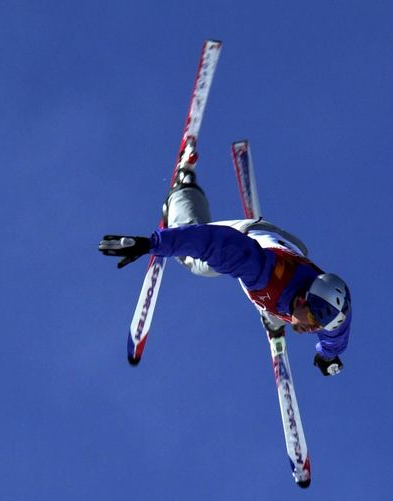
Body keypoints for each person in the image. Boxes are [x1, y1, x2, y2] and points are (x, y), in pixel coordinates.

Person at [99, 159, 351, 375]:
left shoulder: (332, 314)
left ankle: (273, 320)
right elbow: (211, 242)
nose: (314, 328)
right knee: (197, 262)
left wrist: (327, 356)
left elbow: (335, 335)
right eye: (314, 319)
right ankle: (183, 187)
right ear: (303, 300)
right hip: (247, 238)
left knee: (278, 309)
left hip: (292, 247)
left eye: (319, 325)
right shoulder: (259, 270)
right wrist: (152, 244)